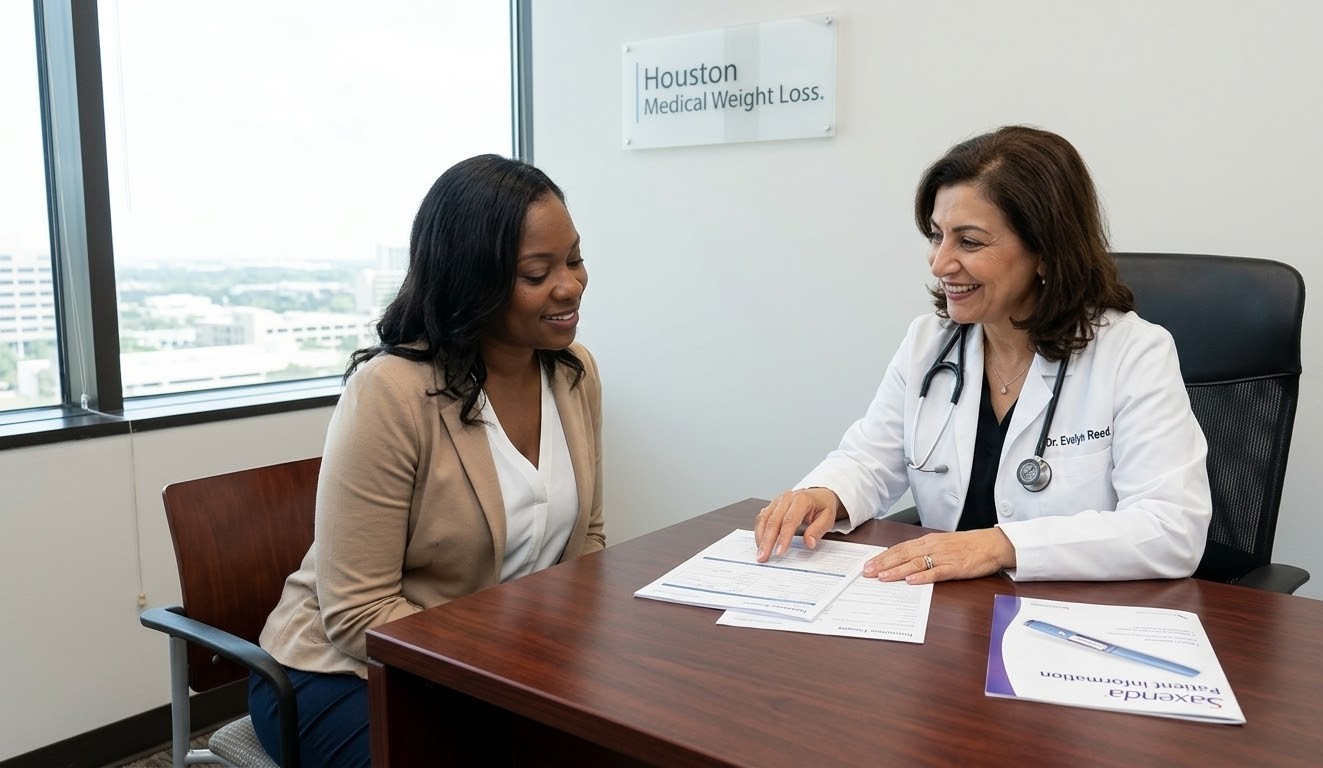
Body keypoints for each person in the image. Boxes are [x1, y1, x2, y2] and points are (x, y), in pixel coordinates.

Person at [249, 154, 604, 767]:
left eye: (573, 259)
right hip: (341, 673)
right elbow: (358, 614)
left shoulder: (574, 375)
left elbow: (587, 542)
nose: (569, 285)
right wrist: (507, 666)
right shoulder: (391, 391)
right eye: (536, 272)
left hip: (493, 667)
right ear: (473, 281)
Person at [754, 126, 1211, 585]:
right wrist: (824, 493)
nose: (940, 263)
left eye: (969, 242)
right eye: (937, 236)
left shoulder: (1134, 354)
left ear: (1046, 252)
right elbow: (869, 460)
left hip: (1071, 621)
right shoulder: (928, 343)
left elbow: (1172, 529)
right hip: (943, 616)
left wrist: (999, 545)